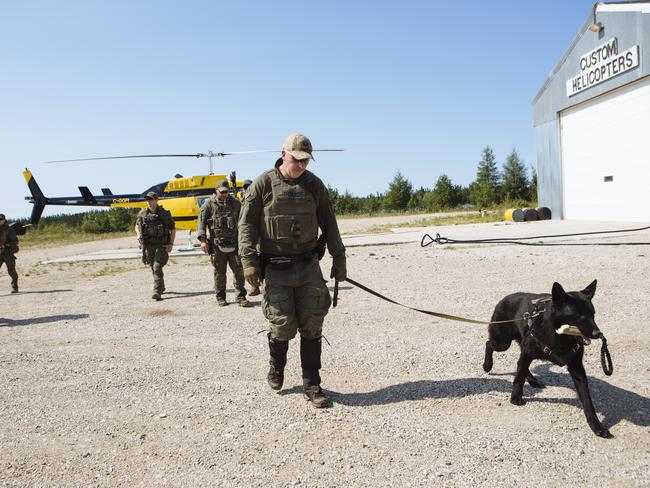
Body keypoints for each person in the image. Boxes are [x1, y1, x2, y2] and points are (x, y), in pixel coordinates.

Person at [239, 134, 347, 408]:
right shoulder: (263, 184)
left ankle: (312, 384)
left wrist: (339, 258)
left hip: (308, 265)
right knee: (282, 324)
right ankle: (277, 365)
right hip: (275, 268)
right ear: (283, 154)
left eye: (305, 160)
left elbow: (329, 223)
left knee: (312, 324)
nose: (300, 165)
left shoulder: (314, 185)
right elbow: (247, 225)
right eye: (296, 159)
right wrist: (249, 261)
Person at [197, 180, 250, 307]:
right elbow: (201, 223)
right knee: (220, 273)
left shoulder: (236, 203)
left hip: (235, 244)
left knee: (239, 272)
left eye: (226, 191)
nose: (225, 194)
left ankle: (241, 297)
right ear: (216, 191)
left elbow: (244, 222)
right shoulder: (208, 205)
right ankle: (220, 297)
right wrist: (203, 241)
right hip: (217, 246)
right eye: (222, 192)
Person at [135, 192, 176, 301]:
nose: (149, 201)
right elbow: (136, 225)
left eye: (151, 199)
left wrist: (171, 244)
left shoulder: (164, 213)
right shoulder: (143, 213)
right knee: (153, 267)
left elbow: (173, 229)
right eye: (147, 199)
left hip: (161, 245)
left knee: (157, 266)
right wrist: (138, 234)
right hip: (148, 245)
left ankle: (156, 291)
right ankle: (161, 286)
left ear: (157, 200)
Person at [241, 179, 261, 297]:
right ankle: (254, 286)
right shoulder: (241, 201)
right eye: (245, 187)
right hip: (248, 236)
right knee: (249, 262)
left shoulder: (257, 199)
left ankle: (259, 285)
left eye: (248, 186)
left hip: (259, 235)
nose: (246, 188)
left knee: (260, 260)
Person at [0, 214, 19, 293]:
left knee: (11, 271)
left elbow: (15, 241)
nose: (0, 221)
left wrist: (6, 244)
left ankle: (15, 287)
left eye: (1, 219)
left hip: (8, 253)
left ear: (4, 220)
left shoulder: (9, 230)